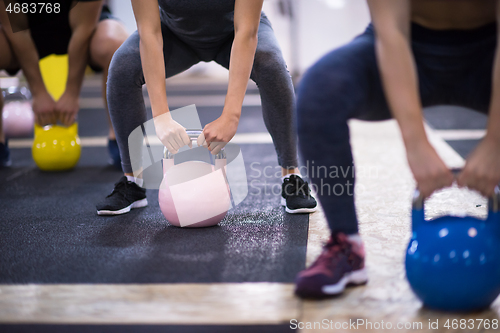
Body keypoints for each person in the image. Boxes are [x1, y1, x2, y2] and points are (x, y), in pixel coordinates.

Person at [294, 0, 500, 298]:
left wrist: (495, 142)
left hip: (488, 49)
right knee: (322, 88)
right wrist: (415, 143)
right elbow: (391, 35)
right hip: (403, 44)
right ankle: (346, 244)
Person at [95, 0, 318, 216]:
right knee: (123, 67)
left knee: (271, 64)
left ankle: (291, 175)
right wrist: (161, 116)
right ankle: (133, 180)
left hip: (234, 33)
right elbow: (149, 33)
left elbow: (246, 32)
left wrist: (230, 116)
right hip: (173, 34)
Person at [0, 0, 128, 168]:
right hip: (27, 31)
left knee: (115, 45)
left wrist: (71, 93)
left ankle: (121, 142)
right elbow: (17, 32)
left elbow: (83, 31)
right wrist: (39, 93)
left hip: (86, 27)